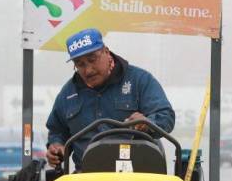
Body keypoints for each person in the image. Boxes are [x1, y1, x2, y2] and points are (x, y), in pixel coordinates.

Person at [46, 27, 175, 170]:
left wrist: (147, 123)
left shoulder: (139, 80)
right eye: (80, 64)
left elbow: (166, 117)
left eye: (92, 59)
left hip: (137, 177)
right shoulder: (68, 94)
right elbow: (57, 130)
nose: (88, 70)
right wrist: (56, 146)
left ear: (106, 52)